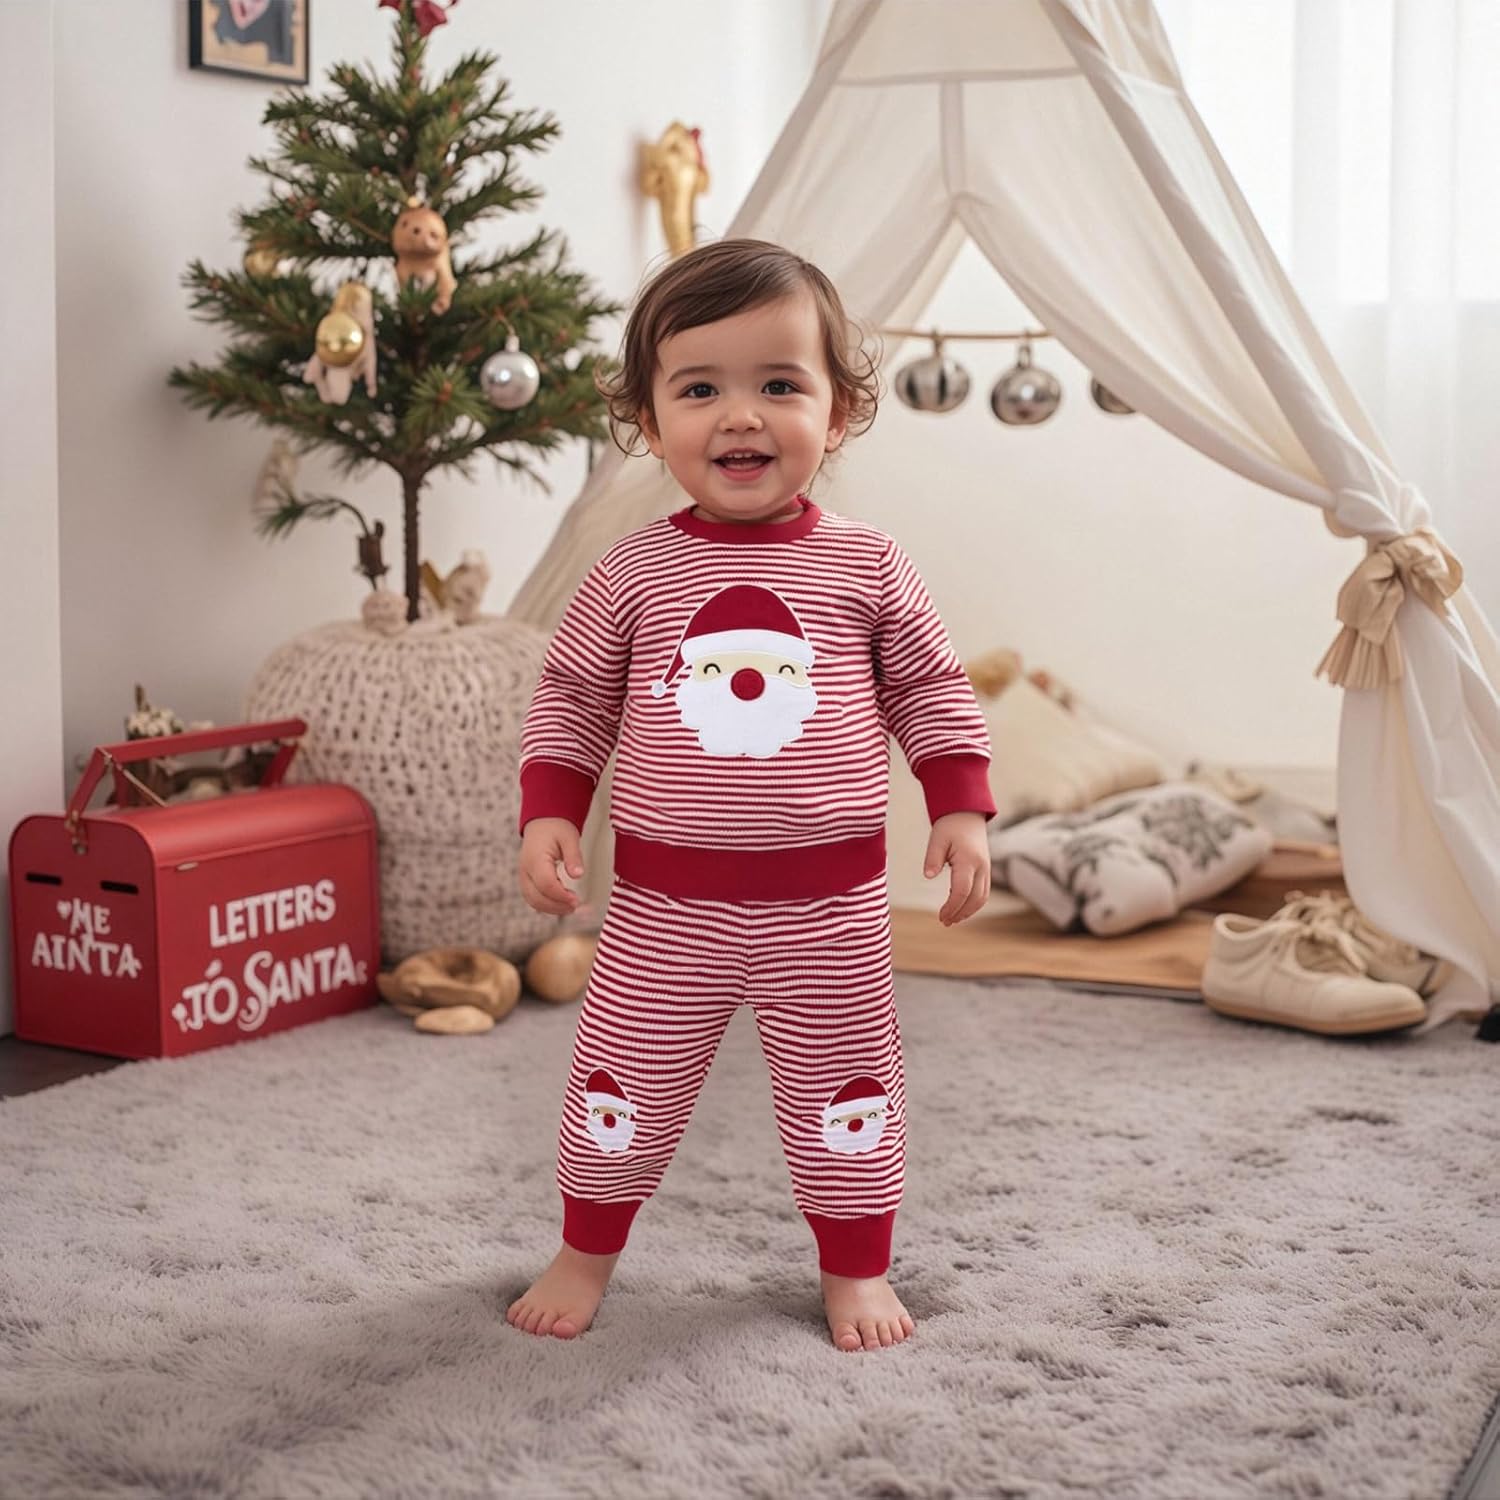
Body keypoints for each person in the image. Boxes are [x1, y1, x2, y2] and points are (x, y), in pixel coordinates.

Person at [505, 238, 995, 1352]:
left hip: (829, 908)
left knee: (847, 1093)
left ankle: (857, 1268)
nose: (740, 416)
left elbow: (929, 684)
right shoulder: (630, 571)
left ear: (838, 412)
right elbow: (574, 697)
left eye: (779, 384)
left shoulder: (869, 565)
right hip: (663, 908)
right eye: (699, 390)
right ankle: (584, 1251)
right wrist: (551, 811)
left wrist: (959, 803)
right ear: (647, 420)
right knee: (621, 1084)